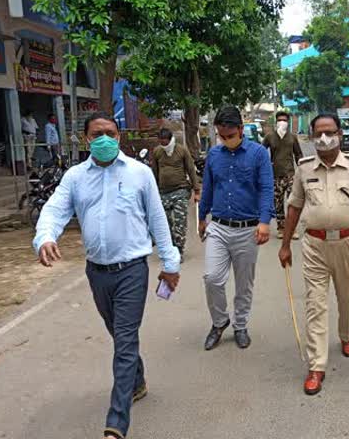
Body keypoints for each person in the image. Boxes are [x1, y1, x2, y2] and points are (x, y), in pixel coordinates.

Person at [33, 111, 180, 439]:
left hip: (132, 270)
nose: (105, 139)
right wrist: (45, 237)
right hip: (97, 273)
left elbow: (158, 220)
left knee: (125, 339)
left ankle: (116, 424)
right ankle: (137, 381)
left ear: (118, 137)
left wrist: (170, 264)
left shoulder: (140, 174)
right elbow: (55, 210)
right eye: (97, 133)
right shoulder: (74, 177)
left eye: (110, 133)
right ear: (87, 138)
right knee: (118, 334)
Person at [278, 113, 349, 396]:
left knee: (346, 295)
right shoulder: (304, 169)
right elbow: (294, 207)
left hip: (346, 242)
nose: (324, 138)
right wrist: (286, 244)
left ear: (339, 133)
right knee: (315, 303)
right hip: (314, 245)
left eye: (330, 132)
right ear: (312, 137)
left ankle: (347, 335)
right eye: (319, 134)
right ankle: (317, 365)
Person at [198, 106, 274, 351]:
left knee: (244, 283)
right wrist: (201, 217)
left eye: (230, 135)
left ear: (241, 130)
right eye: (222, 136)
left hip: (248, 229)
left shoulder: (259, 154)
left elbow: (266, 189)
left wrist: (264, 221)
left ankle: (240, 325)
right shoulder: (214, 155)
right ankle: (220, 322)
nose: (226, 140)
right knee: (212, 278)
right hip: (219, 226)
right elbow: (208, 188)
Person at [153, 128, 201, 262]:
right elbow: (154, 172)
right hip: (163, 192)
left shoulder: (182, 150)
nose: (163, 144)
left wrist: (197, 190)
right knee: (166, 223)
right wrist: (153, 192)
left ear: (170, 139)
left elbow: (191, 170)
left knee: (179, 222)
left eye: (165, 142)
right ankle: (170, 249)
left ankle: (179, 250)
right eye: (161, 142)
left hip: (180, 190)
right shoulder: (157, 152)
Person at [262, 111, 303, 239]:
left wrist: (302, 169)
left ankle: (292, 229)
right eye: (280, 120)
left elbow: (298, 154)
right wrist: (264, 167)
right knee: (278, 204)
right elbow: (261, 153)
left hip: (290, 175)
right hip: (275, 176)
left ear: (288, 122)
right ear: (276, 122)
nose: (282, 122)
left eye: (284, 120)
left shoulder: (292, 137)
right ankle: (281, 228)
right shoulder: (270, 137)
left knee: (292, 203)